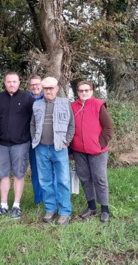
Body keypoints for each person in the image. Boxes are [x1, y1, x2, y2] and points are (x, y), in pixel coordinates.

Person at [30, 77, 75, 225]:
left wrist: (66, 142)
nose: (49, 91)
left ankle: (65, 211)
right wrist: (35, 140)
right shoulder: (36, 105)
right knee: (45, 181)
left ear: (56, 88)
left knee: (63, 180)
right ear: (43, 89)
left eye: (51, 88)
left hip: (59, 149)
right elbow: (32, 125)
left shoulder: (65, 103)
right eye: (46, 88)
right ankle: (50, 209)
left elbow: (71, 125)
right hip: (41, 148)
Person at [0, 72, 34, 219]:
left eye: (14, 82)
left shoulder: (27, 98)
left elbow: (34, 120)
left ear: (19, 83)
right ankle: (3, 205)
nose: (12, 84)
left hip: (20, 143)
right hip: (1, 144)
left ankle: (16, 205)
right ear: (5, 82)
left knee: (19, 174)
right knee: (3, 175)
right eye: (9, 82)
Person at [71, 81, 114, 223]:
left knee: (99, 178)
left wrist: (100, 144)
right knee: (84, 177)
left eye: (87, 90)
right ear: (77, 92)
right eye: (81, 90)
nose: (84, 93)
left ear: (92, 91)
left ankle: (105, 209)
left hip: (97, 151)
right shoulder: (73, 107)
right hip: (79, 151)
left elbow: (108, 127)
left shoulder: (98, 105)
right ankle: (91, 206)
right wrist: (71, 148)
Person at [28, 75, 44, 204]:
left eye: (37, 84)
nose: (35, 87)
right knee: (36, 170)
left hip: (47, 140)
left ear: (42, 85)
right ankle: (39, 198)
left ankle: (52, 197)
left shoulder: (49, 98)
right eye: (33, 84)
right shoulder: (25, 99)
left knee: (49, 169)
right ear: (30, 86)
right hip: (31, 141)